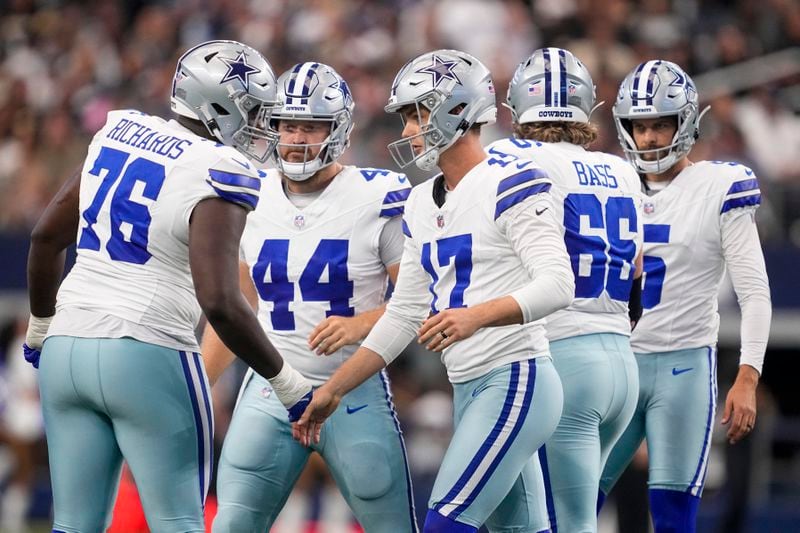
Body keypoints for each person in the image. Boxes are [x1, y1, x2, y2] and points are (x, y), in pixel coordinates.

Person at [22, 40, 313, 533]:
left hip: (65, 347)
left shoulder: (120, 132)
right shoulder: (218, 168)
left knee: (73, 525)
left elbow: (45, 237)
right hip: (147, 350)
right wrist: (288, 383)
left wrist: (38, 329)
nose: (261, 125)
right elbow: (220, 301)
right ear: (219, 105)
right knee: (178, 523)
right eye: (254, 110)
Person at [295, 49, 575, 533]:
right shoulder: (422, 200)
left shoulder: (511, 181)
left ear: (457, 109)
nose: (407, 131)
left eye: (416, 115)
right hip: (469, 385)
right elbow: (404, 313)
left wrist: (476, 315)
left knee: (445, 523)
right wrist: (334, 390)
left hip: (517, 377)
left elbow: (558, 283)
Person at [201, 61, 417, 533]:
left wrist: (361, 324)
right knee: (232, 524)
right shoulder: (249, 190)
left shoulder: (378, 195)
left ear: (337, 130)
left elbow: (418, 302)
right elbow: (238, 307)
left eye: (311, 126)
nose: (296, 138)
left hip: (352, 391)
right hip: (270, 387)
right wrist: (198, 384)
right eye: (287, 125)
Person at [598, 60, 772, 532]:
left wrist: (747, 377)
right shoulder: (606, 180)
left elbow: (754, 290)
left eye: (660, 124)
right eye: (641, 125)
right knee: (572, 506)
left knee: (675, 520)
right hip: (614, 364)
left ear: (687, 121)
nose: (650, 137)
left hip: (684, 366)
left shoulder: (719, 186)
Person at [486, 47, 643, 532]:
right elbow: (637, 270)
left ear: (515, 107)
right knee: (569, 518)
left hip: (563, 360)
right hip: (621, 358)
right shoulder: (622, 169)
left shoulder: (510, 157)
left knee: (559, 523)